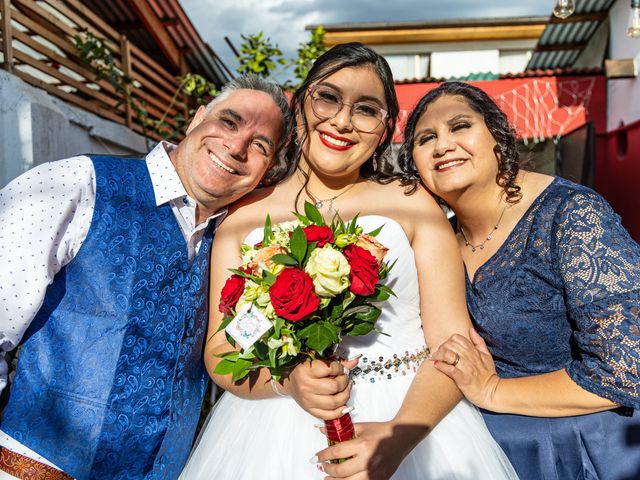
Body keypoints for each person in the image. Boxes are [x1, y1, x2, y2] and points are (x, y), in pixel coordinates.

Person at [180, 43, 516, 480]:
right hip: (272, 433)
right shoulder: (242, 216)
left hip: (414, 427)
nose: (342, 121)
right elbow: (222, 349)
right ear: (299, 103)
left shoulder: (413, 203)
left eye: (366, 109)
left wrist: (398, 438)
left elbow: (454, 346)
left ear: (383, 130)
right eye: (328, 97)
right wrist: (286, 381)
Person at [0, 75, 291, 480]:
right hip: (36, 466)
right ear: (197, 119)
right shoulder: (78, 182)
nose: (237, 146)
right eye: (229, 121)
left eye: (260, 145)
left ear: (268, 169)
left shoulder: (238, 247)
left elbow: (233, 343)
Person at [399, 81, 640, 480]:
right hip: (488, 452)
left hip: (581, 448)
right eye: (427, 138)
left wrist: (492, 391)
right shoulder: (438, 240)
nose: (443, 145)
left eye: (460, 126)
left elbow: (627, 366)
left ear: (500, 137)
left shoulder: (571, 215)